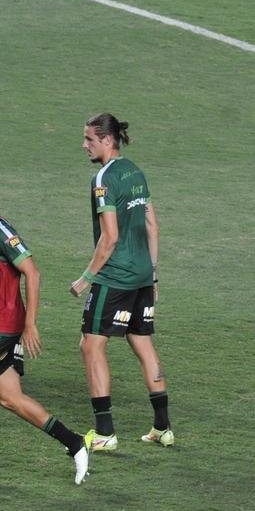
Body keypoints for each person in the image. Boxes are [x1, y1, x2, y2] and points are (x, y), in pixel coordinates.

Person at [0, 166, 92, 485]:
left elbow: (33, 272)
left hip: (1, 327)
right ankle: (75, 443)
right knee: (10, 397)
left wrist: (30, 325)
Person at [70, 113, 174, 451]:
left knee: (91, 345)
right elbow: (152, 225)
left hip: (115, 277)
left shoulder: (104, 179)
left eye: (89, 139)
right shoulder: (135, 172)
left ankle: (104, 433)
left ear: (108, 140)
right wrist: (153, 273)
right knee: (142, 343)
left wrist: (87, 277)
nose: (84, 145)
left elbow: (110, 236)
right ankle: (163, 428)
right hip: (143, 274)